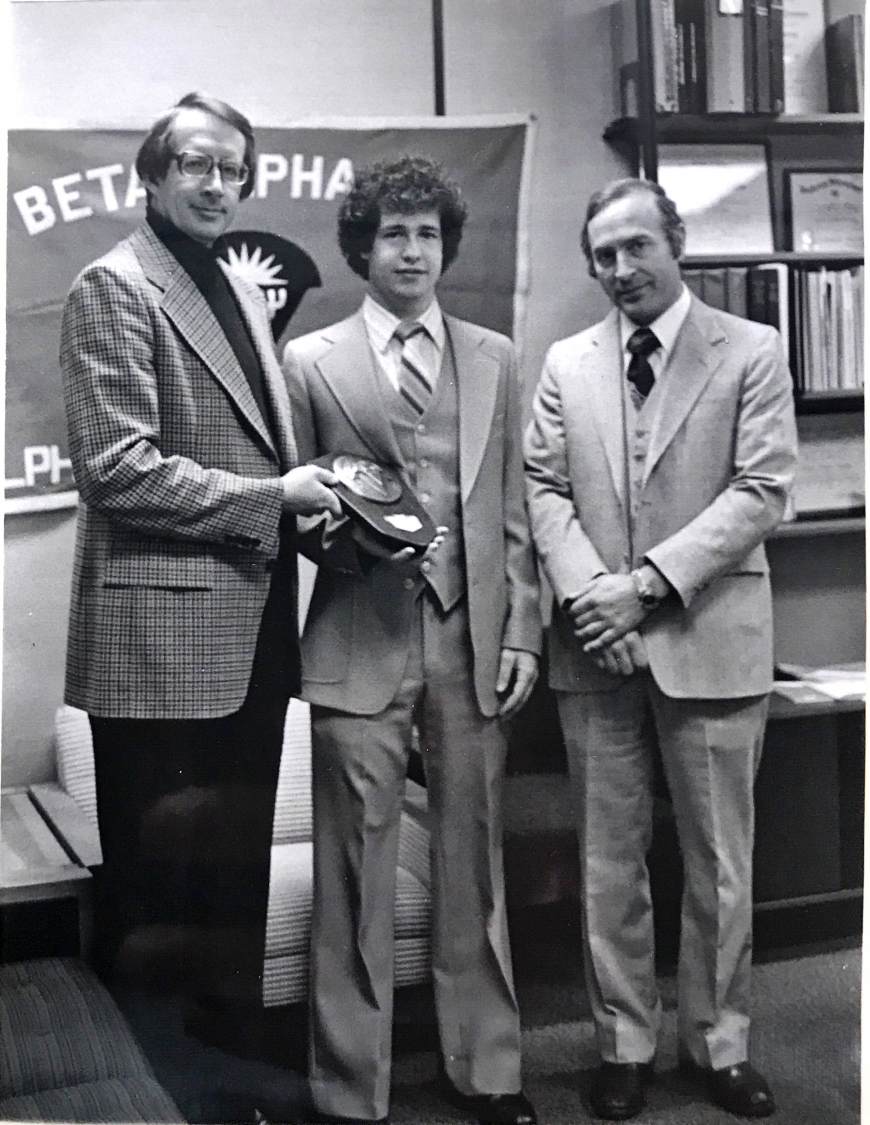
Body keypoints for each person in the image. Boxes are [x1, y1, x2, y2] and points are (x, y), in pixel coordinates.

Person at [60, 92, 341, 1042]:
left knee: (230, 887)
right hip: (158, 656)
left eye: (232, 168)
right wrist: (276, 500)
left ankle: (236, 1091)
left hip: (247, 641)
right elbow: (116, 470)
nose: (219, 184)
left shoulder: (233, 283)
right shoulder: (116, 284)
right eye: (196, 165)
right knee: (158, 901)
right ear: (152, 174)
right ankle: (157, 1100)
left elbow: (265, 447)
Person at [524, 178, 797, 1121]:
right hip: (598, 649)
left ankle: (720, 1045)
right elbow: (542, 487)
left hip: (708, 637)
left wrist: (641, 588)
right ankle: (623, 1045)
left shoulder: (751, 350)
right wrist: (593, 599)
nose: (621, 268)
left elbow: (762, 490)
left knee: (721, 859)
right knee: (609, 859)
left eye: (637, 246)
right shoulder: (566, 363)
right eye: (603, 254)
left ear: (675, 243)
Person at [283, 156, 541, 1125]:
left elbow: (512, 506)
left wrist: (521, 631)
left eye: (428, 232)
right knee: (354, 874)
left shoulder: (496, 357)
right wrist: (339, 534)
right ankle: (352, 1093)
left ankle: (489, 1072)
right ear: (362, 247)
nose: (412, 249)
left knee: (474, 865)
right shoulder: (312, 362)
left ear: (447, 246)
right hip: (359, 641)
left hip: (472, 645)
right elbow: (296, 514)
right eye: (393, 232)